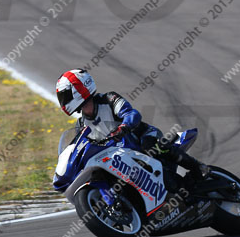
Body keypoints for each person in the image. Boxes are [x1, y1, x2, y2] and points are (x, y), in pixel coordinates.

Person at [55, 69, 205, 190]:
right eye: (62, 97)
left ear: (79, 88)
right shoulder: (81, 125)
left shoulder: (109, 99)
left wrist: (122, 128)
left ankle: (198, 168)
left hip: (141, 137)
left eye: (65, 95)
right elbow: (81, 147)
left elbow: (132, 114)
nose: (64, 100)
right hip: (118, 157)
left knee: (150, 146)